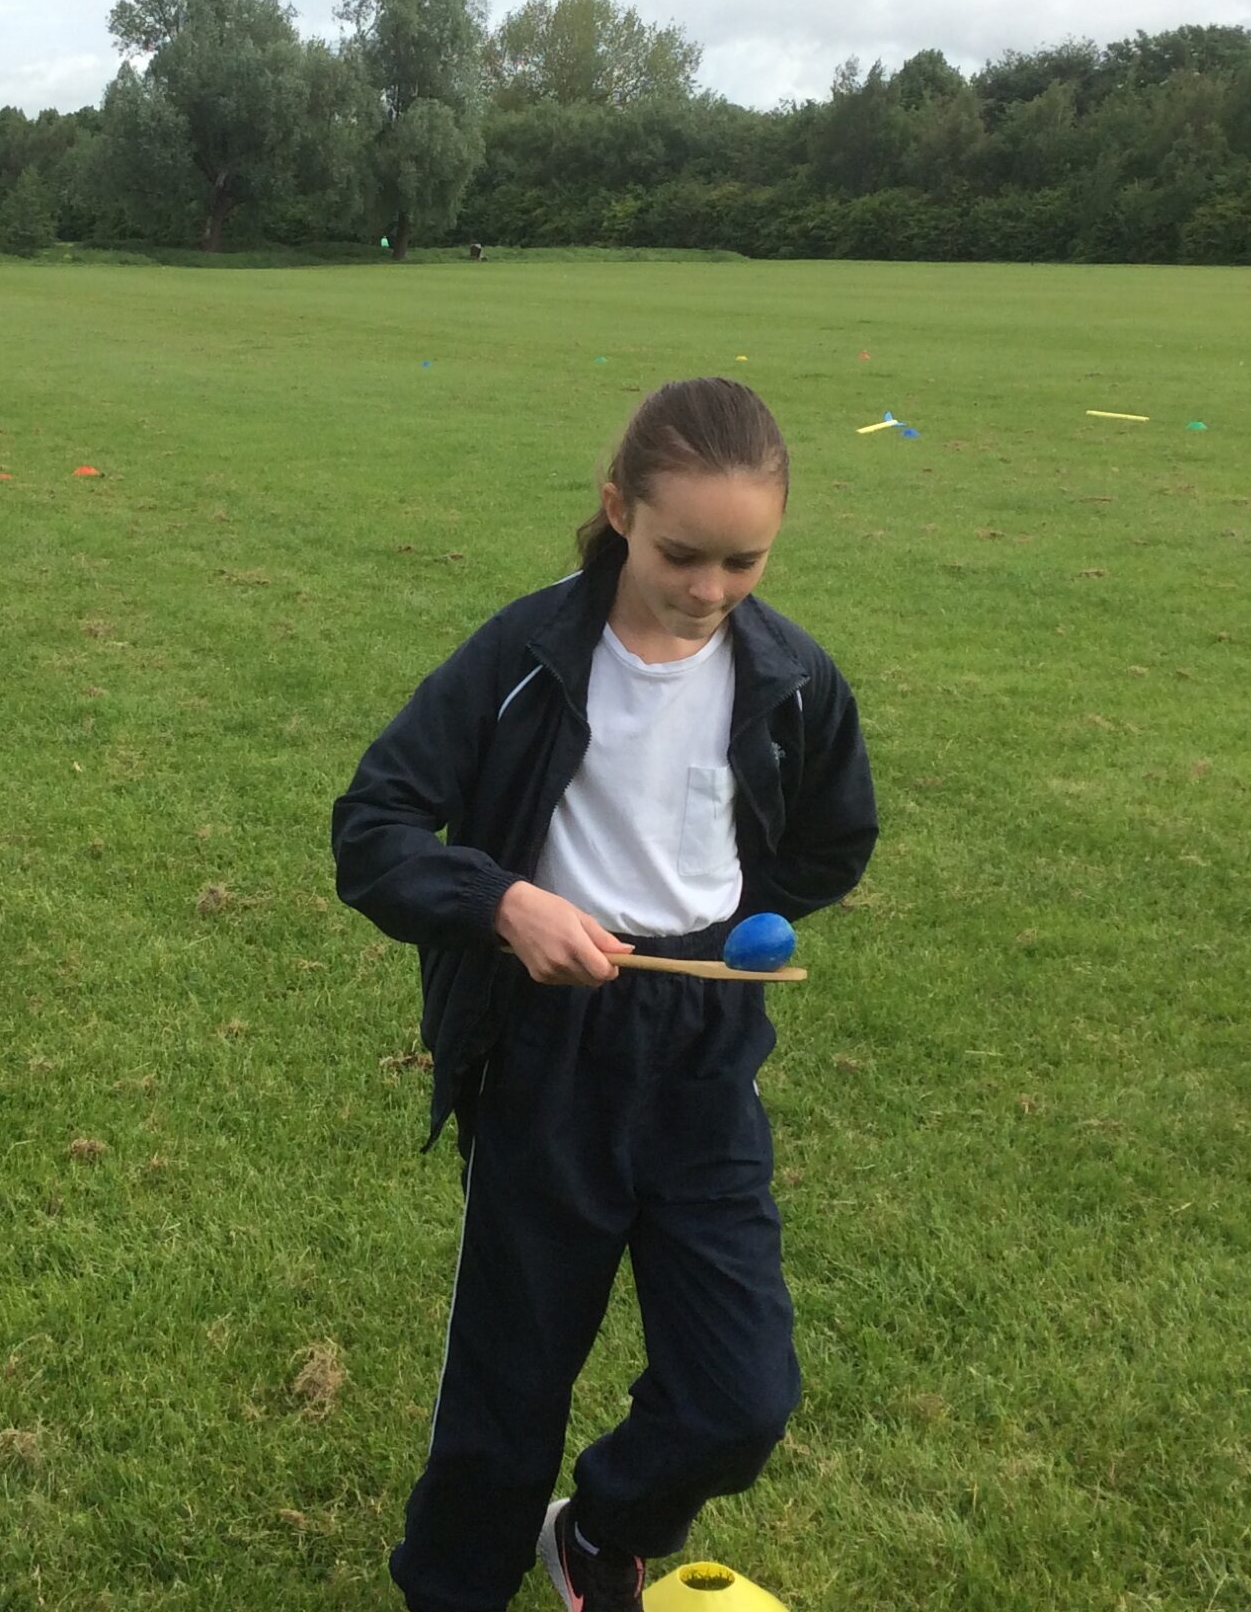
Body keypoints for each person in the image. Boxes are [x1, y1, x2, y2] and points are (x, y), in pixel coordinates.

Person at [332, 378, 878, 1612]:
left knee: (743, 1395)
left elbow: (835, 837)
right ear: (618, 509)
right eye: (681, 553)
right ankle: (454, 1588)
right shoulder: (523, 655)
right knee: (506, 1390)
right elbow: (373, 825)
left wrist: (726, 921)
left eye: (743, 560)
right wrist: (503, 904)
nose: (709, 588)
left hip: (703, 1051)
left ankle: (597, 1531)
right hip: (547, 1048)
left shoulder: (792, 677)